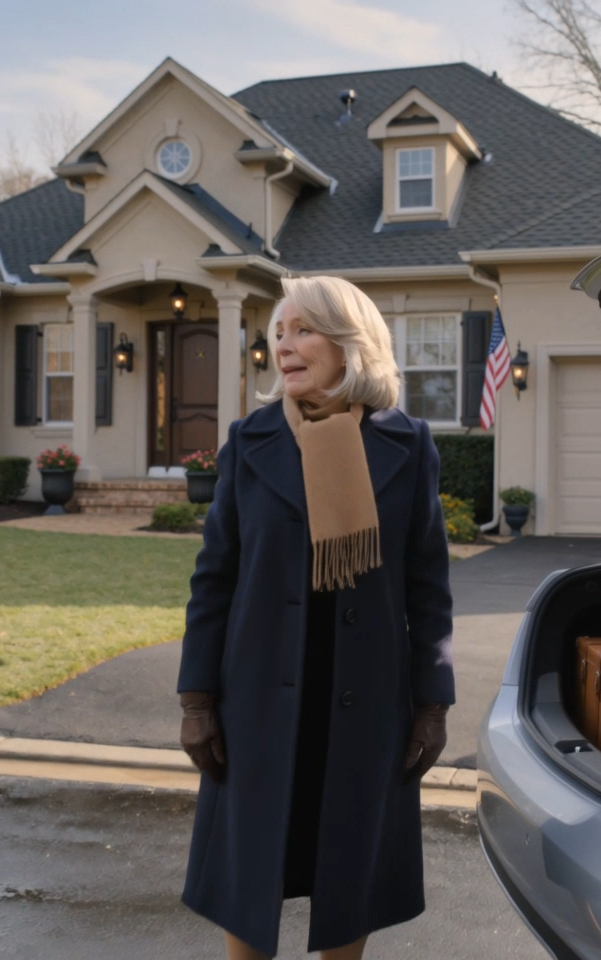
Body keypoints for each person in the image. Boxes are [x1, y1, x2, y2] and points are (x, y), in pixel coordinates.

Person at [177, 275, 454, 960]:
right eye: (278, 333)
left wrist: (432, 704)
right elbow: (213, 581)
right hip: (259, 702)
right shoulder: (249, 442)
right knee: (251, 873)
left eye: (302, 329)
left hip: (362, 700)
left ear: (348, 342)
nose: (284, 346)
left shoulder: (408, 445)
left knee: (349, 870)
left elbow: (428, 588)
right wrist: (196, 699)